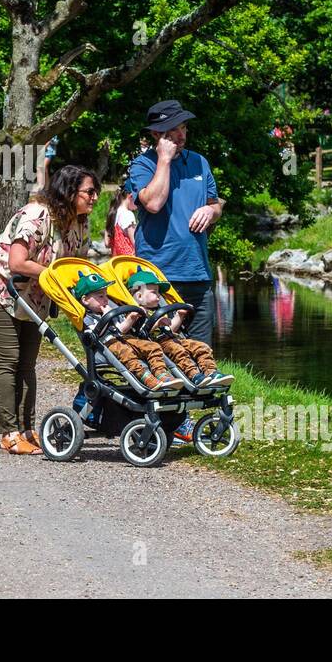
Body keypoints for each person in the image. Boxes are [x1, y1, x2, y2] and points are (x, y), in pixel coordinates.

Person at [0, 164, 97, 455]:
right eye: (89, 191)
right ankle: (9, 433)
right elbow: (17, 262)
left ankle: (27, 429)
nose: (95, 197)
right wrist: (56, 278)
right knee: (8, 357)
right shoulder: (37, 215)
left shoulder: (81, 223)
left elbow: (78, 269)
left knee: (28, 361)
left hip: (32, 294)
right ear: (69, 191)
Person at [124, 99, 224, 444]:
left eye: (182, 128)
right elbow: (152, 202)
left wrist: (213, 212)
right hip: (158, 276)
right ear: (156, 134)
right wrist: (163, 160)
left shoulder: (199, 162)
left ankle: (191, 420)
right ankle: (158, 421)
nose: (181, 135)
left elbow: (214, 202)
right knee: (160, 348)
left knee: (199, 349)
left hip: (197, 270)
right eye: (172, 130)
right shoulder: (142, 164)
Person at [71, 272, 180, 392]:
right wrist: (106, 316)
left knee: (152, 346)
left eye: (106, 296)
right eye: (100, 296)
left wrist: (130, 319)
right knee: (125, 352)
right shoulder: (86, 318)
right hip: (106, 346)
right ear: (85, 300)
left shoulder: (110, 311)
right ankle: (147, 379)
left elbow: (121, 329)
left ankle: (161, 374)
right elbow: (96, 334)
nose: (106, 300)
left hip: (125, 339)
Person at [125, 269, 233, 388]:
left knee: (200, 346)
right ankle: (194, 375)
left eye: (158, 292)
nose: (158, 296)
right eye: (154, 292)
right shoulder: (136, 313)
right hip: (153, 342)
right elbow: (139, 334)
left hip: (169, 338)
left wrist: (180, 315)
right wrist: (156, 323)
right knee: (178, 350)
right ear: (139, 296)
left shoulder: (159, 309)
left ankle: (211, 372)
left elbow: (170, 329)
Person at [105, 189, 137, 256]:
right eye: (138, 199)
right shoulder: (128, 214)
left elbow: (107, 243)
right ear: (130, 196)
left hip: (117, 262)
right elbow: (135, 243)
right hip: (129, 262)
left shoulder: (112, 213)